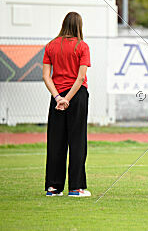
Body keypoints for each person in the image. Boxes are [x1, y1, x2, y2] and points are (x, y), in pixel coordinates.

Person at [42, 12, 91, 197]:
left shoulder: (50, 46)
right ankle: (76, 188)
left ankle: (53, 187)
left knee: (56, 141)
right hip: (76, 97)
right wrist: (68, 99)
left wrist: (58, 98)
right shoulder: (82, 46)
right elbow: (80, 78)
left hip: (57, 97)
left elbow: (46, 76)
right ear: (79, 25)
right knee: (77, 141)